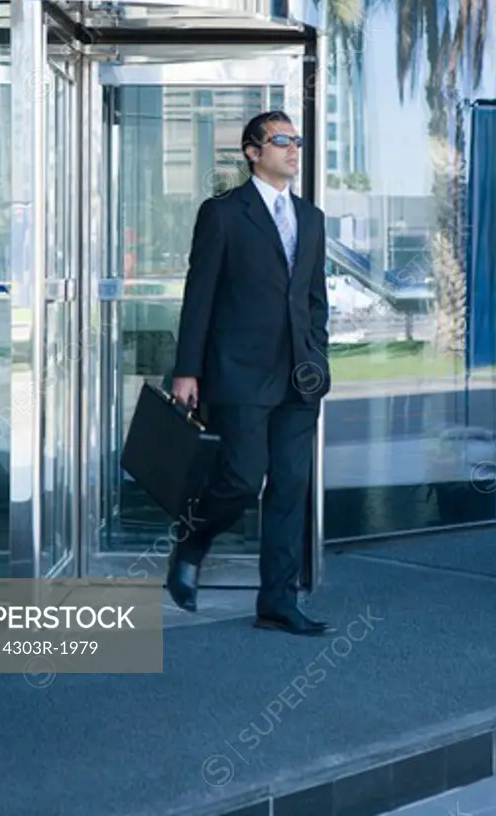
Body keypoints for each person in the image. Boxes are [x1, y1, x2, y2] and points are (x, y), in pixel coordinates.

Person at [167, 110, 333, 636]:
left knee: (290, 486)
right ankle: (192, 542)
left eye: (296, 141)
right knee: (241, 478)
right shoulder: (222, 214)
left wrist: (318, 353)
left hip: (299, 376)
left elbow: (313, 298)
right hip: (239, 371)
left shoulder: (311, 218)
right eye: (280, 141)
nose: (292, 149)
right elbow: (200, 297)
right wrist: (187, 370)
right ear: (252, 152)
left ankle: (278, 601)